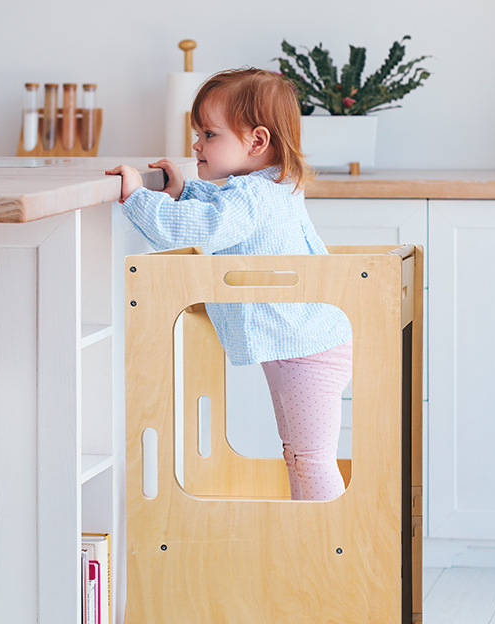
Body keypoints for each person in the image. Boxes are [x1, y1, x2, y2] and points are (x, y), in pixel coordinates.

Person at [106, 68, 352, 501]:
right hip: (303, 342)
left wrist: (138, 197)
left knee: (310, 457)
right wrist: (185, 192)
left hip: (307, 349)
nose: (197, 144)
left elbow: (196, 229)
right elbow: (224, 213)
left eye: (209, 133)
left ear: (257, 142)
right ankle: (311, 538)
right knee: (299, 453)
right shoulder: (271, 186)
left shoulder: (254, 197)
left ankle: (328, 546)